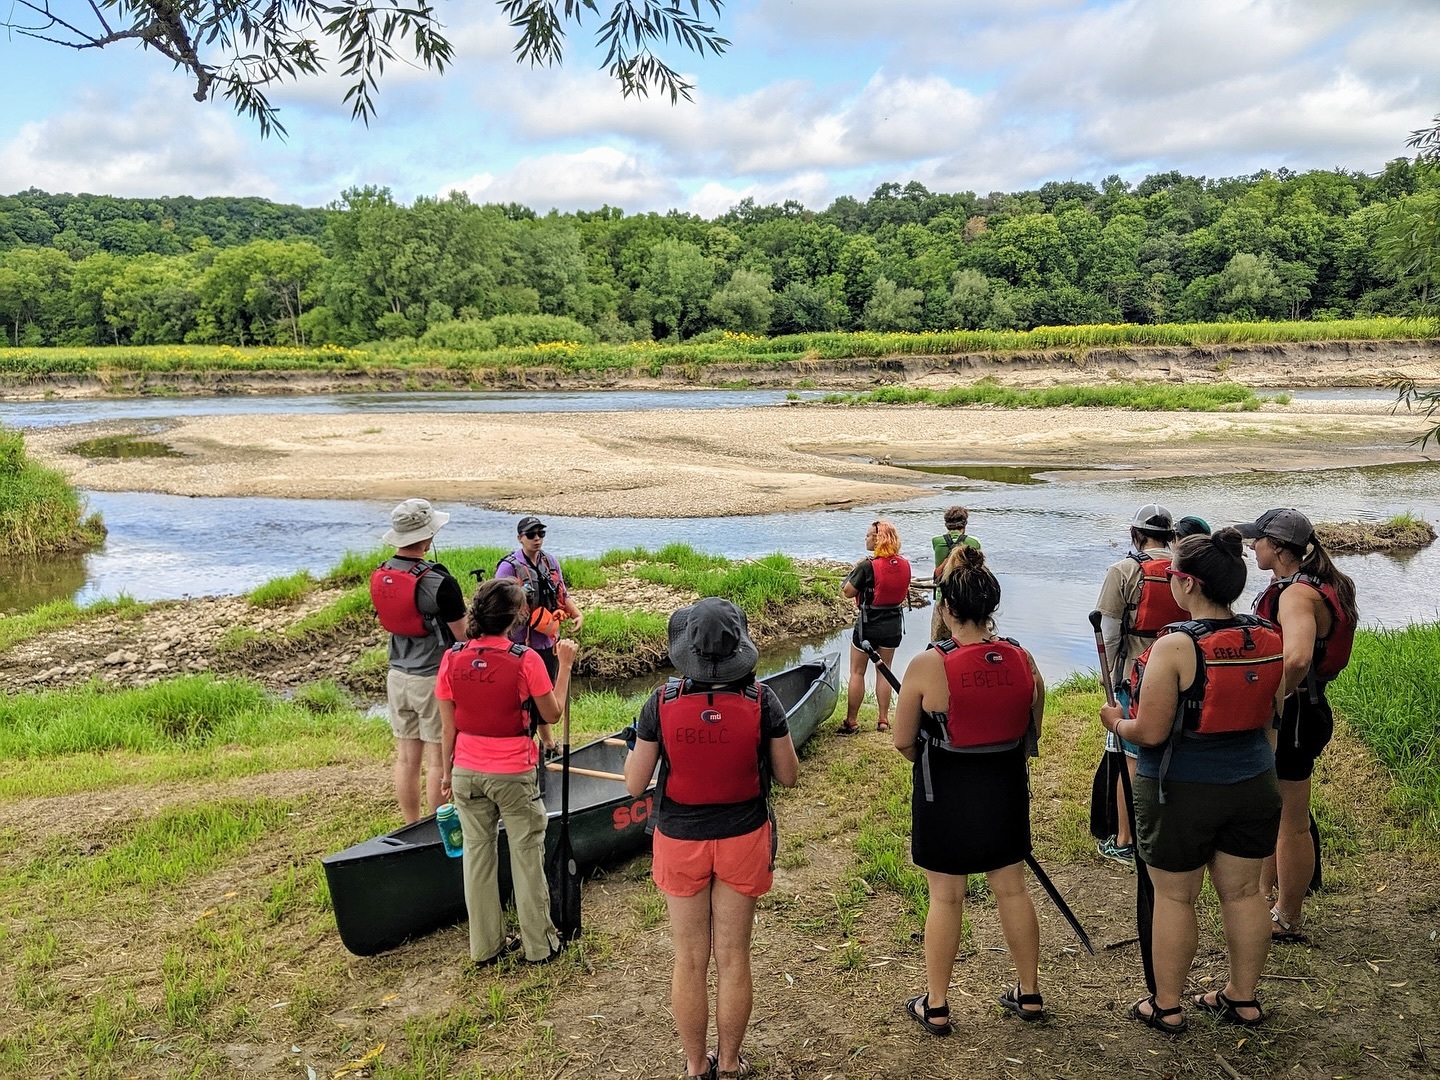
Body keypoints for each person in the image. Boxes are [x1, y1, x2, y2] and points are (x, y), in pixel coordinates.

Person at [1100, 528, 1286, 1034]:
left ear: (1187, 584)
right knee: (1244, 894)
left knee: (1175, 897)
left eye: (1173, 576)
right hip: (1254, 782)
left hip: (1180, 790)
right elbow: (1271, 718)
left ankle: (1167, 1005)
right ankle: (1242, 998)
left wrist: (1116, 723)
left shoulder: (1176, 646)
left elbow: (1151, 731)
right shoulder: (1268, 636)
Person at [624, 598, 799, 1080]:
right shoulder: (763, 700)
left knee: (689, 959)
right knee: (734, 957)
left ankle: (696, 1065)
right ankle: (731, 1063)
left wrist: (636, 747)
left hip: (680, 841)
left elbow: (635, 785)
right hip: (743, 838)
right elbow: (788, 775)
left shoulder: (660, 702)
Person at [893, 545, 1046, 1036]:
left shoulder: (927, 664)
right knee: (1012, 888)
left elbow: (903, 740)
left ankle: (936, 1004)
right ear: (990, 607)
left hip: (945, 791)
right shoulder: (1023, 658)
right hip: (1004, 787)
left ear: (946, 608)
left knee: (946, 898)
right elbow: (1031, 731)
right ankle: (1029, 992)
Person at [437, 578, 577, 965]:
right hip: (513, 772)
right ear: (516, 617)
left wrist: (447, 774)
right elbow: (552, 714)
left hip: (465, 771)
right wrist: (564, 666)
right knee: (526, 855)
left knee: (477, 857)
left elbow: (448, 727)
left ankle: (486, 947)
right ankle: (540, 946)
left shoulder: (452, 657)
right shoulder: (525, 658)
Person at [1238, 508, 1357, 944]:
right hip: (1308, 708)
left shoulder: (1296, 595)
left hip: (1295, 713)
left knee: (1291, 820)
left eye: (1258, 540)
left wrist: (1269, 704)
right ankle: (1267, 897)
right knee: (1278, 813)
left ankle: (1288, 915)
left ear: (1279, 548)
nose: (1252, 546)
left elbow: (1298, 658)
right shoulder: (1314, 584)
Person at [1092, 503, 1184, 868]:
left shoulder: (1123, 571)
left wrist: (1109, 679)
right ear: (1171, 536)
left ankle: (1126, 840)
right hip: (1182, 675)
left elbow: (1109, 634)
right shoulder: (1186, 569)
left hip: (1135, 676)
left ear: (1135, 534)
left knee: (1130, 759)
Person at [370, 498, 468, 823]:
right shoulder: (440, 582)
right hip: (432, 680)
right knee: (437, 760)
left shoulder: (381, 573)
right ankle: (435, 830)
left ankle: (410, 825)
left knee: (406, 758)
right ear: (428, 537)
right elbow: (464, 636)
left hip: (397, 675)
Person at [839, 519, 911, 734]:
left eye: (868, 535)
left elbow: (848, 592)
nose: (866, 539)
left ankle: (851, 721)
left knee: (857, 672)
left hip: (868, 625)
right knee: (884, 670)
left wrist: (856, 570)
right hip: (893, 625)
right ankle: (883, 720)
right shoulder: (904, 564)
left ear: (878, 539)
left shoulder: (867, 566)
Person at [494, 515, 584, 681]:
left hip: (549, 640)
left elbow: (562, 593)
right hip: (519, 643)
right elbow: (497, 606)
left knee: (548, 686)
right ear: (520, 538)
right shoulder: (508, 567)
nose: (537, 538)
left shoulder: (550, 562)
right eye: (530, 535)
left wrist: (577, 614)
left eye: (541, 533)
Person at [929, 506, 982, 643]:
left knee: (938, 641)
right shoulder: (973, 542)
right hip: (965, 596)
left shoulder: (936, 541)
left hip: (942, 596)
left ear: (946, 523)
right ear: (965, 523)